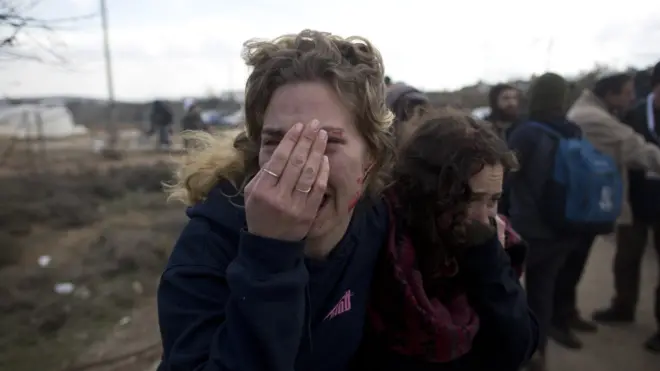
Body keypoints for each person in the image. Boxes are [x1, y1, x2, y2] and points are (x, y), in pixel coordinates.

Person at [157, 30, 396, 371]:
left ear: (370, 156)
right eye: (275, 141)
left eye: (326, 140)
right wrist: (268, 257)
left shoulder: (376, 221)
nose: (300, 162)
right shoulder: (207, 249)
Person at [352, 109, 538, 371]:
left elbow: (516, 346)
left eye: (493, 200)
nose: (484, 217)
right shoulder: (380, 241)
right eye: (470, 199)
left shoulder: (495, 243)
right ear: (429, 192)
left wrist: (492, 266)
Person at [507, 73, 618, 371]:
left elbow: (506, 178)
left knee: (509, 291)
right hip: (563, 229)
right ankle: (537, 351)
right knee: (542, 294)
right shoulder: (572, 130)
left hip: (527, 229)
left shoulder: (526, 133)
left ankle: (512, 352)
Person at [586, 63, 660, 352]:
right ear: (654, 87)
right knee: (626, 258)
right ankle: (622, 306)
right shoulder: (632, 114)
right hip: (636, 199)